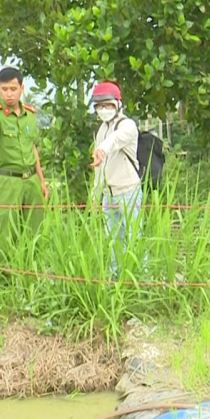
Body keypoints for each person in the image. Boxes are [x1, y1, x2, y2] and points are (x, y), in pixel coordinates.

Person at [0, 67, 49, 259]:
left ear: (22, 88)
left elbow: (32, 149)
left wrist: (41, 181)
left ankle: (31, 273)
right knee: (5, 231)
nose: (9, 94)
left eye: (13, 89)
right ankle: (3, 275)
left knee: (35, 231)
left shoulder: (30, 115)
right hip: (7, 181)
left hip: (31, 181)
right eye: (4, 89)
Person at [88, 80, 143, 277]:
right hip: (108, 194)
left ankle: (139, 278)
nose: (104, 109)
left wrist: (102, 149)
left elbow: (115, 140)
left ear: (118, 104)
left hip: (128, 191)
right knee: (113, 240)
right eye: (100, 105)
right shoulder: (101, 129)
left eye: (108, 105)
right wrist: (95, 195)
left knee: (134, 238)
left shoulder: (127, 125)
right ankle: (115, 279)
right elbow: (99, 168)